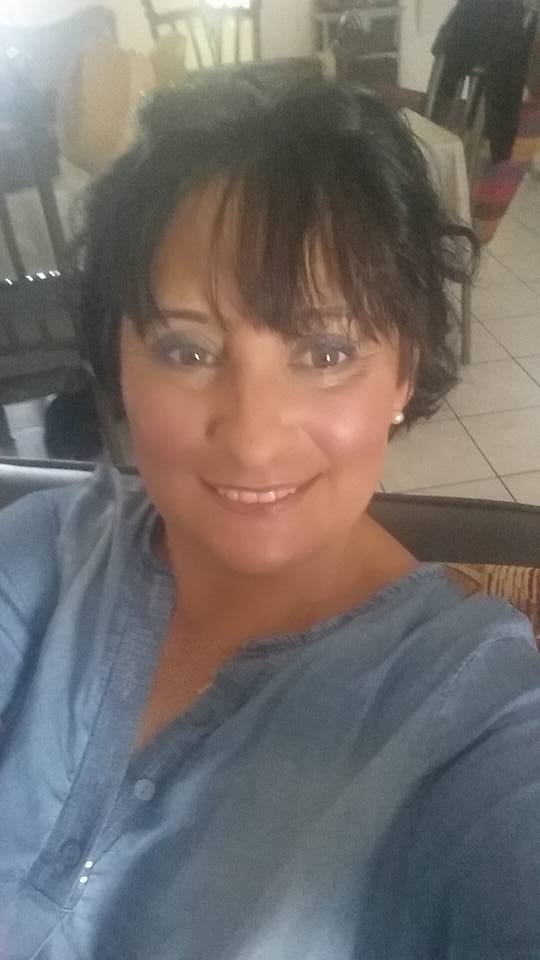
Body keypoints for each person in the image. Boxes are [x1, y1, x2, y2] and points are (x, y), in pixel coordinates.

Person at [1, 77, 539, 960]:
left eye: (325, 352)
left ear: (404, 373)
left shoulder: (470, 714)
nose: (252, 439)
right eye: (187, 350)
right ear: (119, 361)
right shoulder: (44, 555)